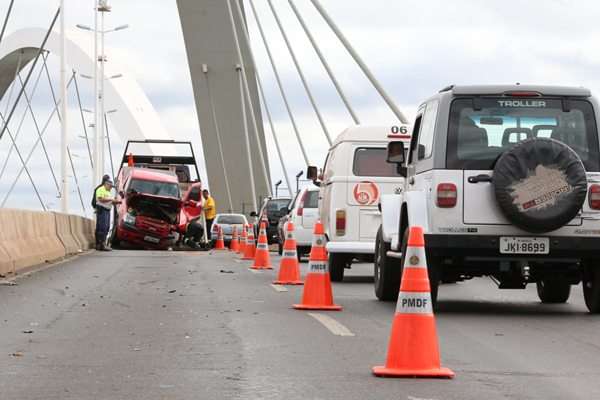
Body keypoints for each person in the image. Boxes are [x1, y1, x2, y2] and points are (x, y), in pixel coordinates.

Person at [94, 178, 120, 251]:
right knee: (102, 227)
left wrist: (116, 202)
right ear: (106, 184)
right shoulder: (100, 189)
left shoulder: (108, 192)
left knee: (107, 227)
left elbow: (110, 201)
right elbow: (100, 199)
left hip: (107, 210)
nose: (111, 188)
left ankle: (103, 244)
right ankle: (101, 244)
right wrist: (111, 200)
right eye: (110, 186)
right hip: (102, 210)